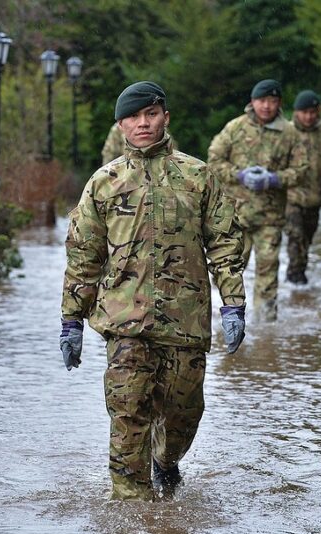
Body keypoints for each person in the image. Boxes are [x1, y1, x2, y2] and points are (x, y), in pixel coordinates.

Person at [60, 81, 246, 501]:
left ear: (165, 117)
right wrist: (71, 319)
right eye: (133, 117)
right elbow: (83, 255)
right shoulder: (104, 183)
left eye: (151, 114)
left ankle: (165, 460)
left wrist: (233, 304)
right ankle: (131, 521)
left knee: (183, 415)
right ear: (120, 125)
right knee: (128, 414)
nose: (142, 123)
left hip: (185, 319)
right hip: (124, 320)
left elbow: (224, 244)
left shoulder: (198, 175)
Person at [208, 79, 308, 322]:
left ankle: (265, 327)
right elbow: (214, 160)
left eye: (272, 101)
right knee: (229, 270)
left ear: (279, 104)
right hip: (236, 216)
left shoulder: (290, 132)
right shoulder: (235, 128)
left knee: (268, 271)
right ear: (252, 102)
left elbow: (302, 169)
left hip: (270, 217)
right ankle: (227, 319)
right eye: (262, 101)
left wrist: (274, 179)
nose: (266, 106)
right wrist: (238, 175)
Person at [285, 89, 321, 284]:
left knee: (306, 241)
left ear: (318, 111)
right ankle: (296, 280)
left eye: (312, 112)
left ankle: (297, 279)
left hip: (315, 199)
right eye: (305, 112)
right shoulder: (286, 133)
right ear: (296, 112)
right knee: (296, 238)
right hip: (290, 199)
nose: (309, 116)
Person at [101, 121, 178, 164]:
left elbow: (172, 149)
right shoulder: (118, 129)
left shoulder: (157, 126)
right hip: (128, 169)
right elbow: (110, 153)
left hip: (159, 166)